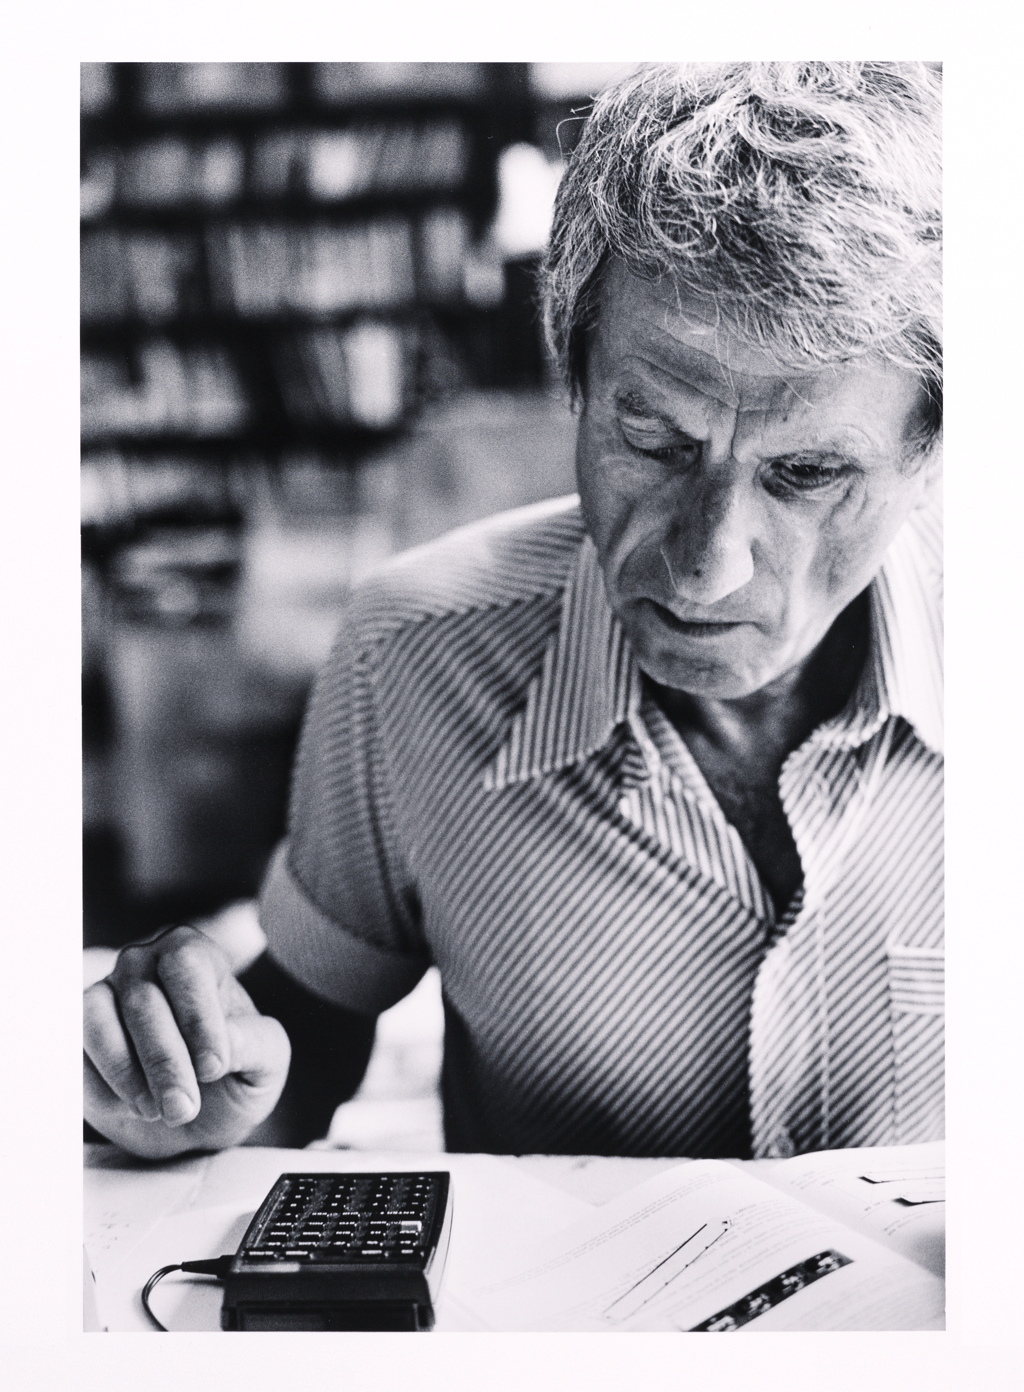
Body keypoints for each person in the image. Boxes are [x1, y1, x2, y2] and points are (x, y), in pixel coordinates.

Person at [84, 61, 943, 1162]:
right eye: (653, 442)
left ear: (927, 457)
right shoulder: (410, 655)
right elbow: (307, 1028)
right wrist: (197, 1078)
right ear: (573, 382)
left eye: (811, 472)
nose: (705, 568)